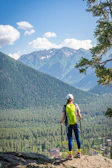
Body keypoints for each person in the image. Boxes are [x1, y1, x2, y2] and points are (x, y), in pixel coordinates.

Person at [60, 94, 82, 159]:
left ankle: (70, 155)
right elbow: (79, 116)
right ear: (73, 99)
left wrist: (61, 122)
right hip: (76, 124)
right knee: (78, 138)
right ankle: (79, 152)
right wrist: (79, 118)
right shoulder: (76, 106)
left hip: (68, 125)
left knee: (70, 140)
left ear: (67, 99)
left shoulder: (65, 106)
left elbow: (63, 117)